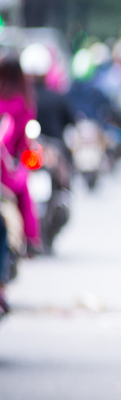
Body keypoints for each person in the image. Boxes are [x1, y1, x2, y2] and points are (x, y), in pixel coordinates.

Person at [0, 52, 41, 253]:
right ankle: (32, 239)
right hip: (6, 168)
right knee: (24, 187)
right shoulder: (23, 103)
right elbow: (25, 143)